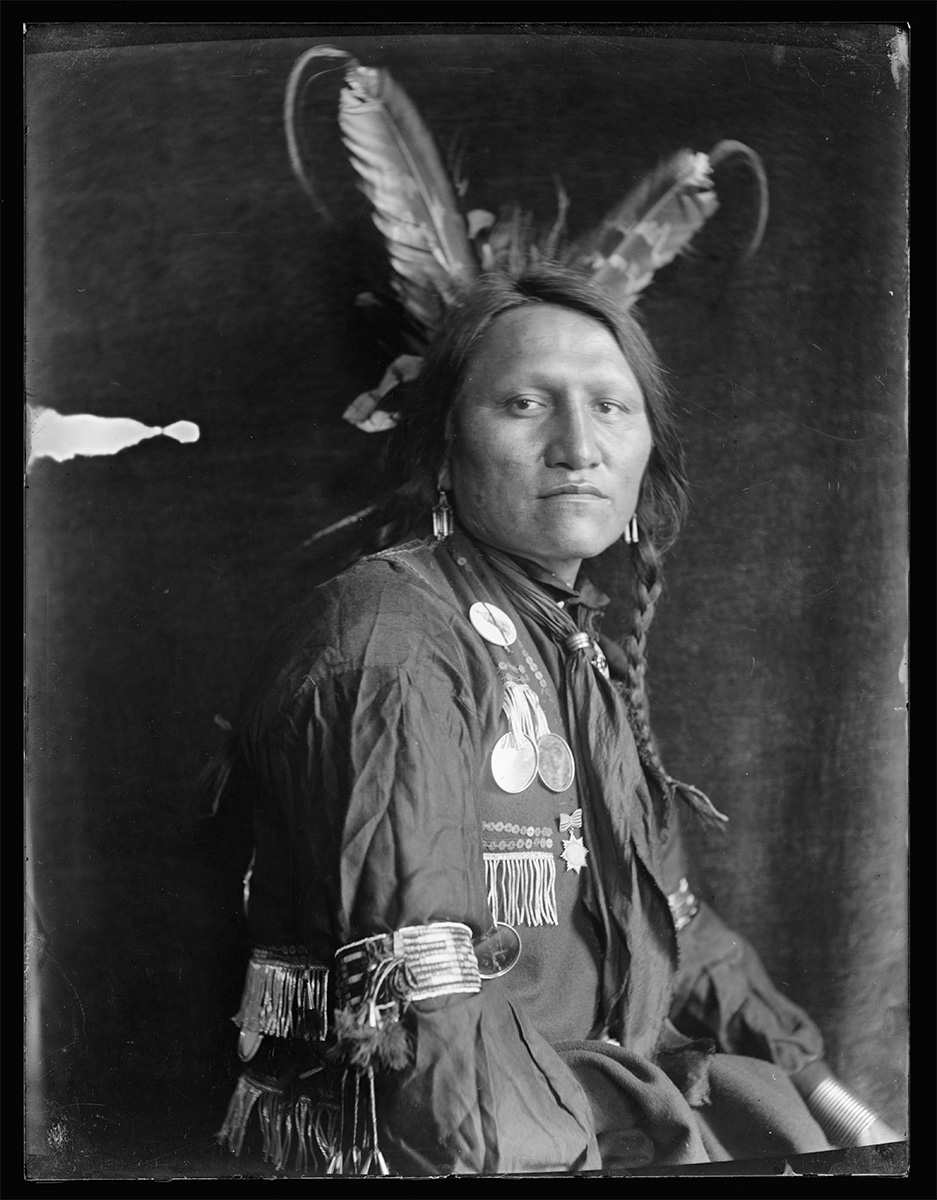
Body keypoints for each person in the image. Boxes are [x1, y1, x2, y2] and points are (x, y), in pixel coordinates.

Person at [214, 265, 899, 1175]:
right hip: (459, 1144)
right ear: (445, 446)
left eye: (611, 408)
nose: (578, 445)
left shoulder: (578, 655)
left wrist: (829, 1095)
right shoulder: (392, 638)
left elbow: (675, 929)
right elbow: (426, 1004)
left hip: (588, 1112)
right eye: (527, 404)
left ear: (647, 449)